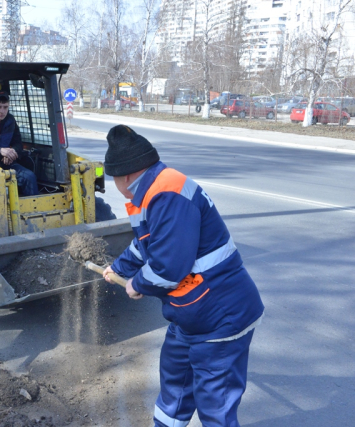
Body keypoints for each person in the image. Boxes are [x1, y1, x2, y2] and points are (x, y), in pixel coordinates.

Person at [102, 125, 264, 427]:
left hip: (221, 317)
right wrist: (120, 268)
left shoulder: (167, 193)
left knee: (216, 405)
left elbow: (168, 267)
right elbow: (146, 244)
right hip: (191, 317)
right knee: (175, 391)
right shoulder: (151, 192)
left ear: (124, 175)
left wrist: (137, 284)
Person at [0, 90, 39, 196]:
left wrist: (11, 153)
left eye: (5, 107)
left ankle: (33, 210)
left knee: (29, 177)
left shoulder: (10, 121)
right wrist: (0, 151)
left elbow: (18, 143)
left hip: (7, 163)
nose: (2, 111)